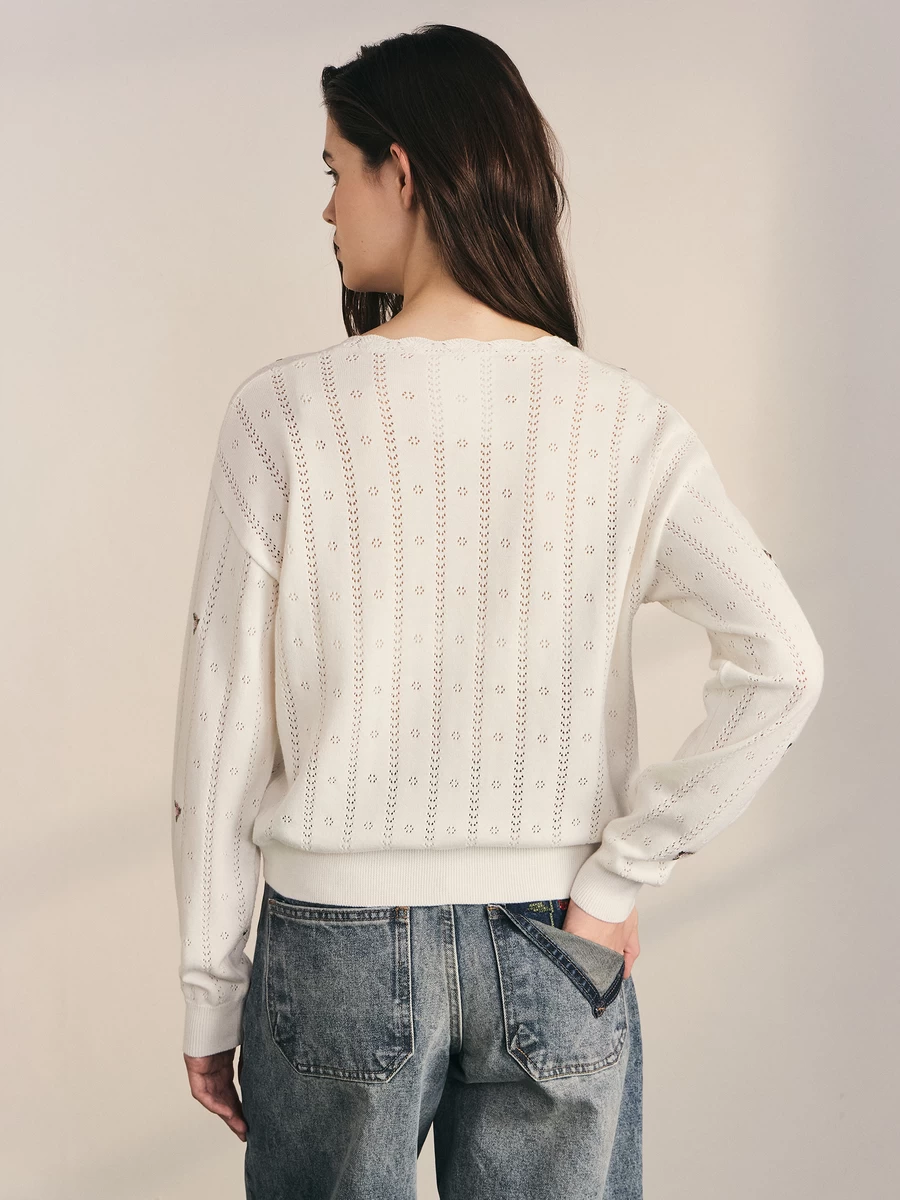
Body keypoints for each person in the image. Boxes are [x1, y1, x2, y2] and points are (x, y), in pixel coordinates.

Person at [170, 23, 824, 1200]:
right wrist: (617, 880)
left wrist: (211, 994)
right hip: (557, 941)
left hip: (336, 945)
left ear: (403, 172)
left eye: (336, 170)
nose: (327, 209)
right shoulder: (621, 422)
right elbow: (783, 661)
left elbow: (223, 737)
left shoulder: (285, 417)